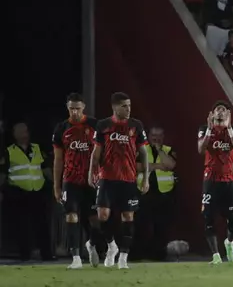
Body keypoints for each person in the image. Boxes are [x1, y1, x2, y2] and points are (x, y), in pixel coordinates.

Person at [89, 92, 149, 269]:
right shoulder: (103, 125)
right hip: (107, 178)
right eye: (124, 106)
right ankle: (111, 246)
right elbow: (96, 153)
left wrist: (145, 179)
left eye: (129, 105)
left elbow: (143, 154)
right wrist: (91, 173)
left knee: (128, 216)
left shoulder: (136, 125)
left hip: (128, 179)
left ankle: (123, 257)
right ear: (114, 107)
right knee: (102, 215)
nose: (128, 109)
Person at [52, 93, 100, 269]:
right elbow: (58, 159)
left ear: (83, 107)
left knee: (96, 219)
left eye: (77, 108)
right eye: (71, 108)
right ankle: (76, 258)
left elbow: (104, 153)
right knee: (71, 216)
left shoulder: (95, 125)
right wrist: (56, 186)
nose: (74, 112)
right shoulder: (61, 128)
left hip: (91, 180)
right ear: (67, 107)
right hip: (70, 180)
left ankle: (91, 244)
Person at [198, 100, 233, 264]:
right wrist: (210, 129)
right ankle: (216, 255)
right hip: (210, 180)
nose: (221, 112)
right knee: (208, 217)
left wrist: (229, 127)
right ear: (212, 114)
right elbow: (201, 150)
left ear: (228, 114)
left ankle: (229, 243)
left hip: (229, 180)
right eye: (218, 110)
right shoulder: (205, 129)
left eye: (224, 110)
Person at [1, 122, 54, 262]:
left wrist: (55, 186)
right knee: (21, 225)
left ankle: (46, 254)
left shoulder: (36, 148)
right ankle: (25, 255)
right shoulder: (9, 151)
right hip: (18, 193)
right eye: (20, 132)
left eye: (25, 131)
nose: (23, 135)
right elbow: (3, 173)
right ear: (14, 135)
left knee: (42, 225)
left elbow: (46, 169)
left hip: (37, 191)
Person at [133, 125, 177, 261]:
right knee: (140, 225)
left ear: (163, 137)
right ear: (149, 136)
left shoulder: (168, 150)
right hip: (144, 193)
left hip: (164, 194)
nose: (156, 139)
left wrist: (159, 151)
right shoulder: (141, 149)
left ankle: (158, 255)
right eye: (153, 136)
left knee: (161, 226)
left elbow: (170, 165)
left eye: (159, 136)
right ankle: (137, 254)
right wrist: (157, 166)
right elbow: (135, 166)